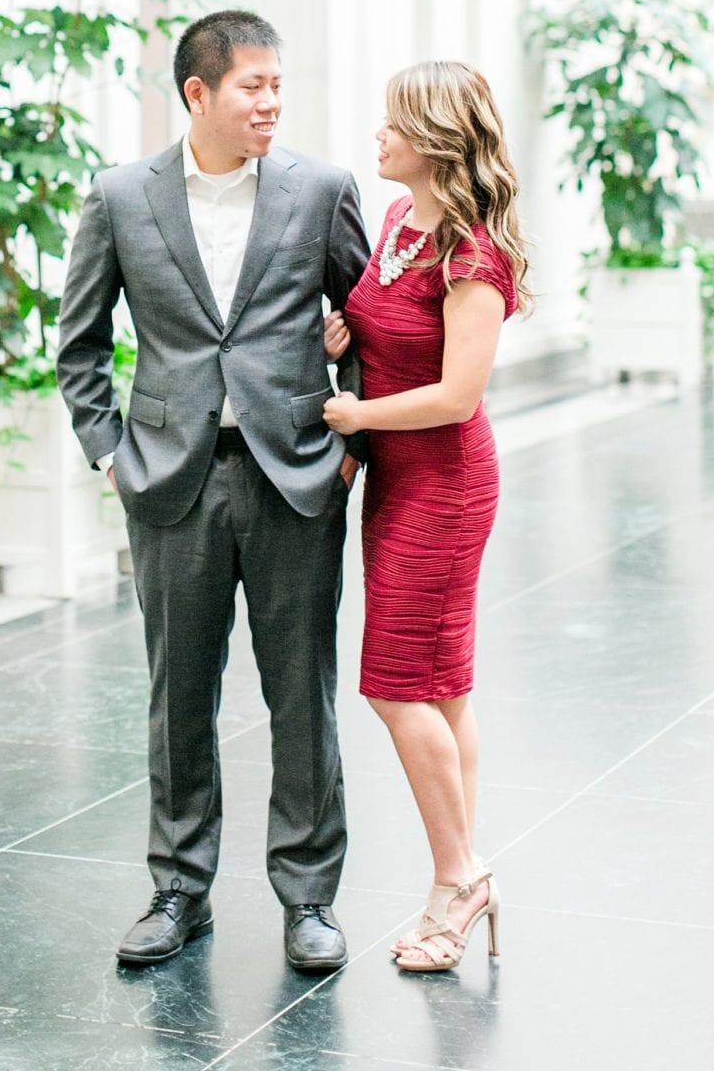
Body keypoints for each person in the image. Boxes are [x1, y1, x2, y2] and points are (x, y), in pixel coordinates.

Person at [57, 10, 371, 972]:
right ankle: (178, 889)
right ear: (196, 93)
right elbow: (78, 346)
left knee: (299, 693)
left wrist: (351, 429)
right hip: (170, 484)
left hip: (293, 477)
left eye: (278, 83)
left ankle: (308, 897)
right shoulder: (120, 196)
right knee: (176, 694)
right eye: (252, 85)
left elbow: (370, 318)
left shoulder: (320, 188)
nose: (271, 100)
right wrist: (109, 452)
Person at [322, 60, 531, 973]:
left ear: (435, 139)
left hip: (442, 487)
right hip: (396, 481)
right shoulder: (403, 224)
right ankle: (459, 875)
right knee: (442, 684)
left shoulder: (472, 254)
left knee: (394, 683)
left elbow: (455, 395)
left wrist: (357, 417)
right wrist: (347, 335)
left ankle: (459, 876)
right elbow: (385, 327)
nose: (378, 137)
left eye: (392, 125)